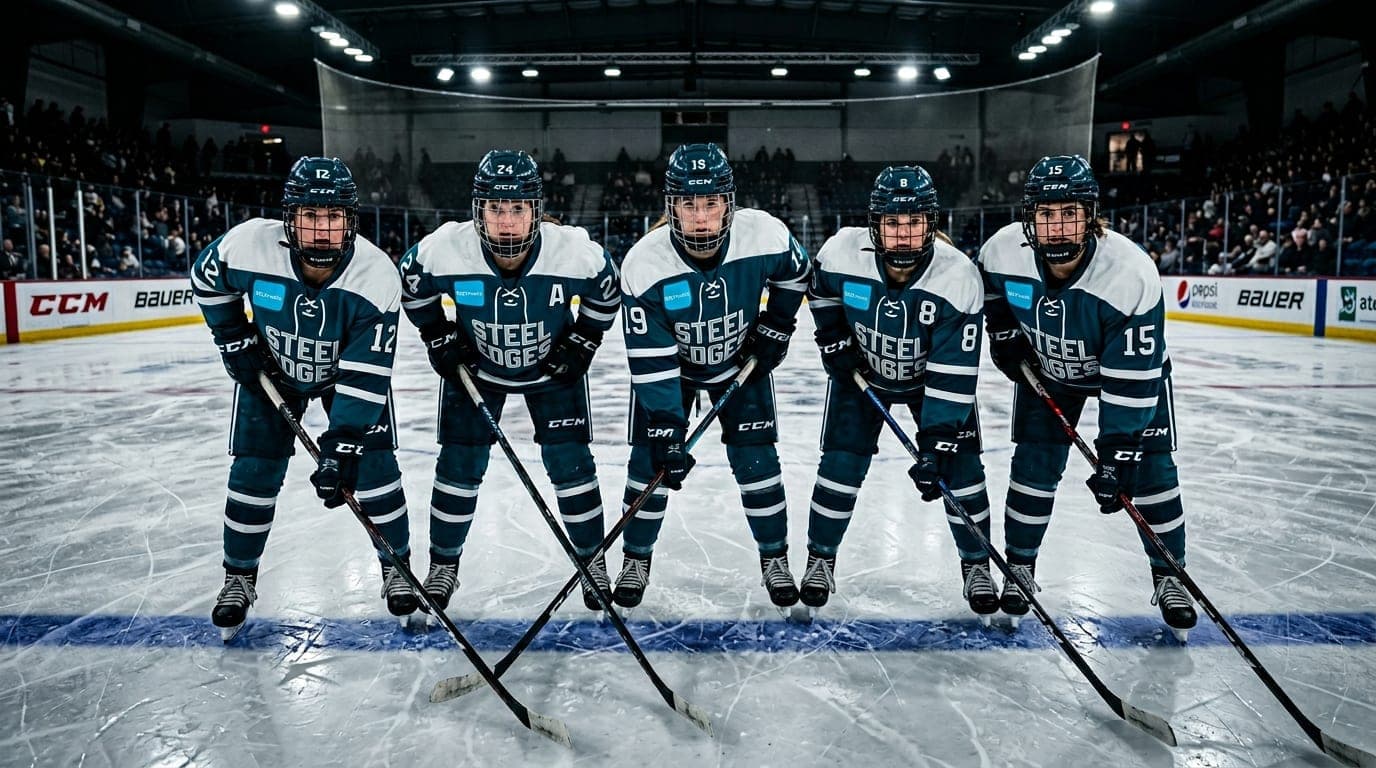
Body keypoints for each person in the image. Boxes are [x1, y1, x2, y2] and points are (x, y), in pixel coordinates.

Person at [190, 156, 417, 640]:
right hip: (273, 371)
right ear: (289, 218)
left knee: (374, 469)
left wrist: (345, 441)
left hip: (343, 377)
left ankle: (396, 567)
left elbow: (366, 374)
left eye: (333, 218)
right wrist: (232, 336)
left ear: (349, 222)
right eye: (310, 217)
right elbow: (207, 278)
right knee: (254, 471)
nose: (321, 230)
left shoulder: (375, 276)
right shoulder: (249, 245)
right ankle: (238, 576)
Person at [978, 154, 1197, 639]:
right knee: (1033, 467)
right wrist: (1003, 332)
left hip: (1125, 376)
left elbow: (1132, 381)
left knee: (1151, 470)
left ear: (1091, 216)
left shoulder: (1129, 273)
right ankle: (1021, 568)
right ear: (1029, 218)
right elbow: (991, 291)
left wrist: (1117, 452)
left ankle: (1169, 576)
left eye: (1070, 213)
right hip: (1048, 371)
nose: (1057, 228)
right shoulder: (1001, 253)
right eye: (1046, 215)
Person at [399, 150, 622, 612]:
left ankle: (592, 562)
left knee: (572, 465)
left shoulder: (571, 249)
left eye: (518, 210)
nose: (506, 223)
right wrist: (436, 334)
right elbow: (411, 281)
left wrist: (584, 340)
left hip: (552, 370)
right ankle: (443, 566)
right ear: (478, 211)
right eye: (496, 209)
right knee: (459, 466)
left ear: (536, 212)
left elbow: (607, 286)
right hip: (477, 369)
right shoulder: (447, 248)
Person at [615, 142, 811, 611]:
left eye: (710, 204)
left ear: (729, 203)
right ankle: (635, 558)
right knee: (650, 462)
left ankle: (774, 559)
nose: (700, 217)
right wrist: (666, 427)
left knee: (757, 461)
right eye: (689, 204)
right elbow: (653, 360)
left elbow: (797, 273)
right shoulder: (645, 263)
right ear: (672, 206)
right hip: (673, 371)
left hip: (740, 364)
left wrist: (778, 323)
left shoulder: (763, 235)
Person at [802, 166, 993, 619]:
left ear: (931, 223)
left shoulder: (957, 277)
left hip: (932, 383)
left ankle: (978, 566)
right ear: (876, 225)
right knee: (839, 466)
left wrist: (937, 441)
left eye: (913, 223)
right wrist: (833, 338)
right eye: (892, 223)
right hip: (864, 374)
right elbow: (821, 289)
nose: (903, 235)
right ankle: (820, 560)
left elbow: (954, 372)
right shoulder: (842, 253)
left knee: (961, 471)